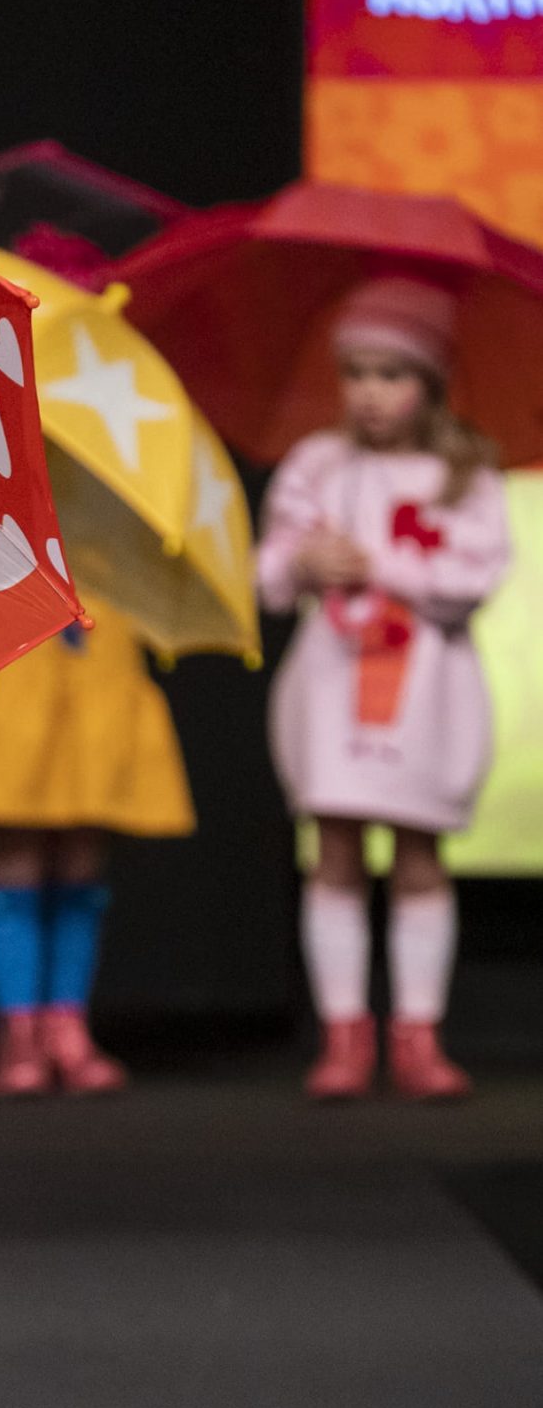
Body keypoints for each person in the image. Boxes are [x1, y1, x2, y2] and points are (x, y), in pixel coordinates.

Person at [255, 278, 509, 1098]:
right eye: (355, 373)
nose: (369, 392)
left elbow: (475, 578)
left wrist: (381, 565)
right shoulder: (318, 464)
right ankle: (343, 1037)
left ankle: (417, 1036)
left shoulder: (462, 472)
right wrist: (302, 561)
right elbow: (268, 575)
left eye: (391, 374)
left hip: (426, 692)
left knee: (417, 855)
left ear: (429, 383)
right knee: (333, 848)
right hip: (333, 684)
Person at [0, 599, 193, 1093]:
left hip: (99, 632)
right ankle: (19, 1030)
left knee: (83, 849)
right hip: (16, 624)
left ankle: (67, 1025)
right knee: (16, 841)